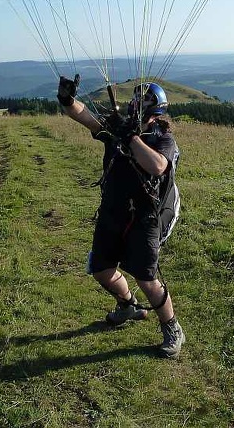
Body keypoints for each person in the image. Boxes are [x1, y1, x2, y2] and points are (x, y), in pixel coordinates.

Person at [57, 75, 185, 358]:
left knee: (146, 278)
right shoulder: (117, 129)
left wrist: (131, 137)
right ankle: (128, 306)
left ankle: (172, 327)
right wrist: (67, 100)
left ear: (155, 113)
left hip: (146, 216)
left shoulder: (163, 139)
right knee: (101, 270)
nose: (137, 105)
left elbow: (158, 166)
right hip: (113, 210)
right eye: (136, 100)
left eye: (144, 103)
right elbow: (85, 117)